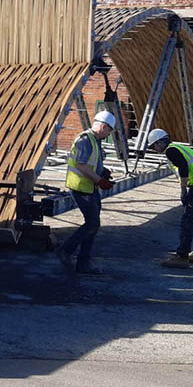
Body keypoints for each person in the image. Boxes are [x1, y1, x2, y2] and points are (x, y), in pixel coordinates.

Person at [146, 129, 193, 268]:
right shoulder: (180, 147)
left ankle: (182, 256)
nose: (154, 149)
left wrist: (183, 189)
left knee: (187, 222)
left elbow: (184, 167)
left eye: (154, 146)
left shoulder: (170, 150)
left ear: (160, 142)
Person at [58, 110, 117, 275]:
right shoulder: (86, 140)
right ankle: (66, 250)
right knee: (92, 224)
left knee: (94, 225)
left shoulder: (95, 140)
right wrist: (99, 180)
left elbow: (91, 162)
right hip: (81, 187)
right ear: (104, 126)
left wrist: (102, 171)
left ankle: (83, 262)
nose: (108, 134)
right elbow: (81, 165)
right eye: (109, 131)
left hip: (89, 187)